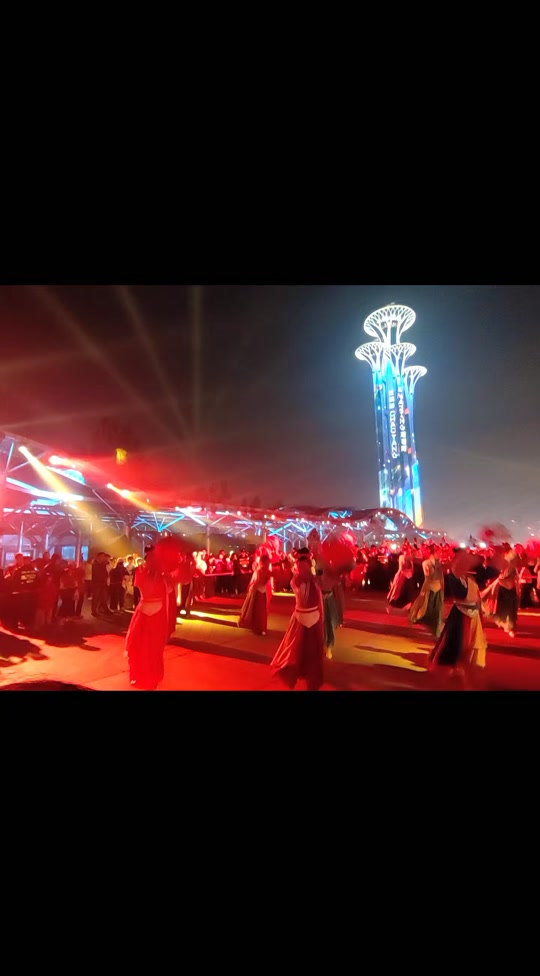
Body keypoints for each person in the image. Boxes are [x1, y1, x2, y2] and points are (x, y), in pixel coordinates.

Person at [429, 552, 487, 689]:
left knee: (469, 645)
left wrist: (479, 609)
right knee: (457, 644)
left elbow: (476, 595)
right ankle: (452, 672)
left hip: (472, 615)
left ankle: (460, 671)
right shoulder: (453, 578)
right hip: (460, 615)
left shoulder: (469, 578)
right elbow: (460, 595)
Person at [271, 551, 325, 691]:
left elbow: (323, 583)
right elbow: (301, 582)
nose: (302, 569)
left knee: (313, 650)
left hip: (314, 619)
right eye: (300, 567)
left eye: (305, 566)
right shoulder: (296, 581)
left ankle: (312, 678)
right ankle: (297, 672)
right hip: (300, 619)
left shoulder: (315, 581)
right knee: (296, 650)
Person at [125, 547, 170, 690]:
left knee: (150, 647)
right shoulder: (143, 573)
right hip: (146, 612)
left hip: (152, 613)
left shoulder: (162, 576)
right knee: (140, 646)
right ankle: (143, 675)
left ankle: (148, 675)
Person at [481, 549, 520, 637]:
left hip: (510, 591)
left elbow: (514, 580)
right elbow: (500, 578)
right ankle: (508, 626)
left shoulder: (513, 569)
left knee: (511, 610)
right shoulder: (506, 568)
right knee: (504, 609)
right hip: (503, 591)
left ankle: (510, 627)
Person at [409, 545, 445, 637]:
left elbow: (441, 577)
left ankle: (435, 628)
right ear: (433, 553)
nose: (440, 554)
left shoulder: (439, 564)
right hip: (429, 587)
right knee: (425, 607)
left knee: (436, 610)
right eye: (438, 552)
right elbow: (428, 575)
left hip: (437, 588)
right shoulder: (426, 563)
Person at [238, 553, 272, 635]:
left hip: (263, 592)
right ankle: (256, 627)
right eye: (266, 563)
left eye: (268, 563)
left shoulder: (268, 571)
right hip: (257, 592)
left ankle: (262, 627)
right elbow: (256, 582)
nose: (267, 564)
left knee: (263, 611)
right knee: (256, 610)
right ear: (262, 563)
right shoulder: (258, 571)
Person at [387, 544, 416, 613]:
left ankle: (407, 606)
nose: (408, 551)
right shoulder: (402, 557)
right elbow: (402, 567)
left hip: (409, 577)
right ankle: (391, 606)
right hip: (401, 577)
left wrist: (411, 574)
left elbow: (412, 568)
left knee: (409, 592)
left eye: (409, 550)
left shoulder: (410, 558)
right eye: (407, 550)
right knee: (398, 592)